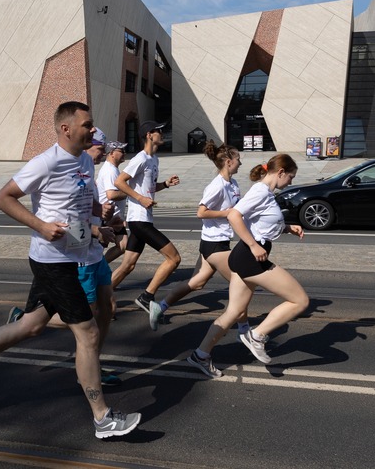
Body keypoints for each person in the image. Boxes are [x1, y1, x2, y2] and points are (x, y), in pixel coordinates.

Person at [0, 101, 140, 440]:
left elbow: (81, 201)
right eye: (87, 125)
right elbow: (3, 198)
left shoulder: (82, 160)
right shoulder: (46, 162)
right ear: (66, 128)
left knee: (32, 325)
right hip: (53, 260)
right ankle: (102, 417)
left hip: (71, 256)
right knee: (89, 332)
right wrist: (40, 224)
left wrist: (101, 223)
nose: (93, 131)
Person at [7, 131, 123, 386]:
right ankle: (25, 321)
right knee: (86, 318)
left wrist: (105, 219)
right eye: (99, 147)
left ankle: (94, 364)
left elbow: (86, 210)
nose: (102, 152)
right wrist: (94, 230)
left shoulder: (86, 169)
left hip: (94, 251)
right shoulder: (60, 165)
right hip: (77, 252)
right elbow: (64, 220)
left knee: (108, 309)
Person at [186, 154, 308, 378]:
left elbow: (260, 223)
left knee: (234, 311)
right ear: (280, 172)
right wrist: (253, 245)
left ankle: (200, 355)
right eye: (290, 176)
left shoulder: (267, 193)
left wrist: (288, 228)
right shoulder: (260, 191)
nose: (291, 181)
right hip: (250, 258)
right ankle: (257, 335)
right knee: (300, 300)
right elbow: (234, 216)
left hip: (246, 256)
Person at [149, 140, 249, 333]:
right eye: (238, 159)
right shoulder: (217, 186)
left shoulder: (233, 184)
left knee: (198, 281)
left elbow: (236, 208)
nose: (240, 163)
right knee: (241, 284)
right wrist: (227, 213)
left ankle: (159, 306)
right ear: (228, 162)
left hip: (216, 241)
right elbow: (201, 212)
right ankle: (244, 330)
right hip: (215, 244)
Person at [110, 120, 181, 324]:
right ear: (149, 135)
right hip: (138, 219)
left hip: (143, 218)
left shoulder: (154, 160)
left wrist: (166, 185)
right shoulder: (140, 159)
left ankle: (98, 296)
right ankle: (146, 296)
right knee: (174, 259)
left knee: (128, 266)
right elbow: (119, 182)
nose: (162, 133)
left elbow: (147, 188)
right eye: (159, 131)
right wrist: (140, 199)